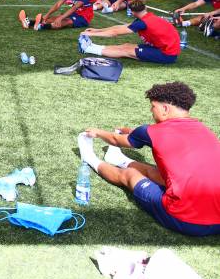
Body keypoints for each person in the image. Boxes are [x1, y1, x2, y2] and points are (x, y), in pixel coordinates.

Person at [78, 82, 220, 236]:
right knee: (157, 172)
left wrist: (97, 132)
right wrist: (130, 131)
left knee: (130, 174)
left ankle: (90, 158)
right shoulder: (204, 130)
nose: (151, 111)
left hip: (184, 219)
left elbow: (115, 139)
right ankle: (118, 158)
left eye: (153, 106)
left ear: (165, 109)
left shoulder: (152, 131)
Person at [79, 0, 180, 64]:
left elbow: (115, 33)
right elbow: (120, 27)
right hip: (163, 48)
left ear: (132, 12)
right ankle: (92, 46)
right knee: (127, 45)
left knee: (126, 51)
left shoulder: (142, 22)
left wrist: (90, 34)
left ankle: (88, 49)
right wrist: (97, 30)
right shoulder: (146, 17)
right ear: (145, 8)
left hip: (167, 55)